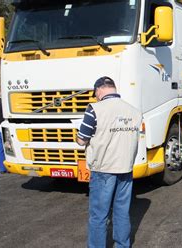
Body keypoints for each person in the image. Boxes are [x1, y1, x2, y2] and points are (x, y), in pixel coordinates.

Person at [76, 76, 143, 248]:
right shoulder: (134, 111)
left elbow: (82, 140)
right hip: (126, 168)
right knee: (122, 211)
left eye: (95, 94)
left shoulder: (95, 109)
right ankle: (123, 245)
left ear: (99, 90)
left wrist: (77, 136)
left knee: (99, 215)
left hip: (103, 169)